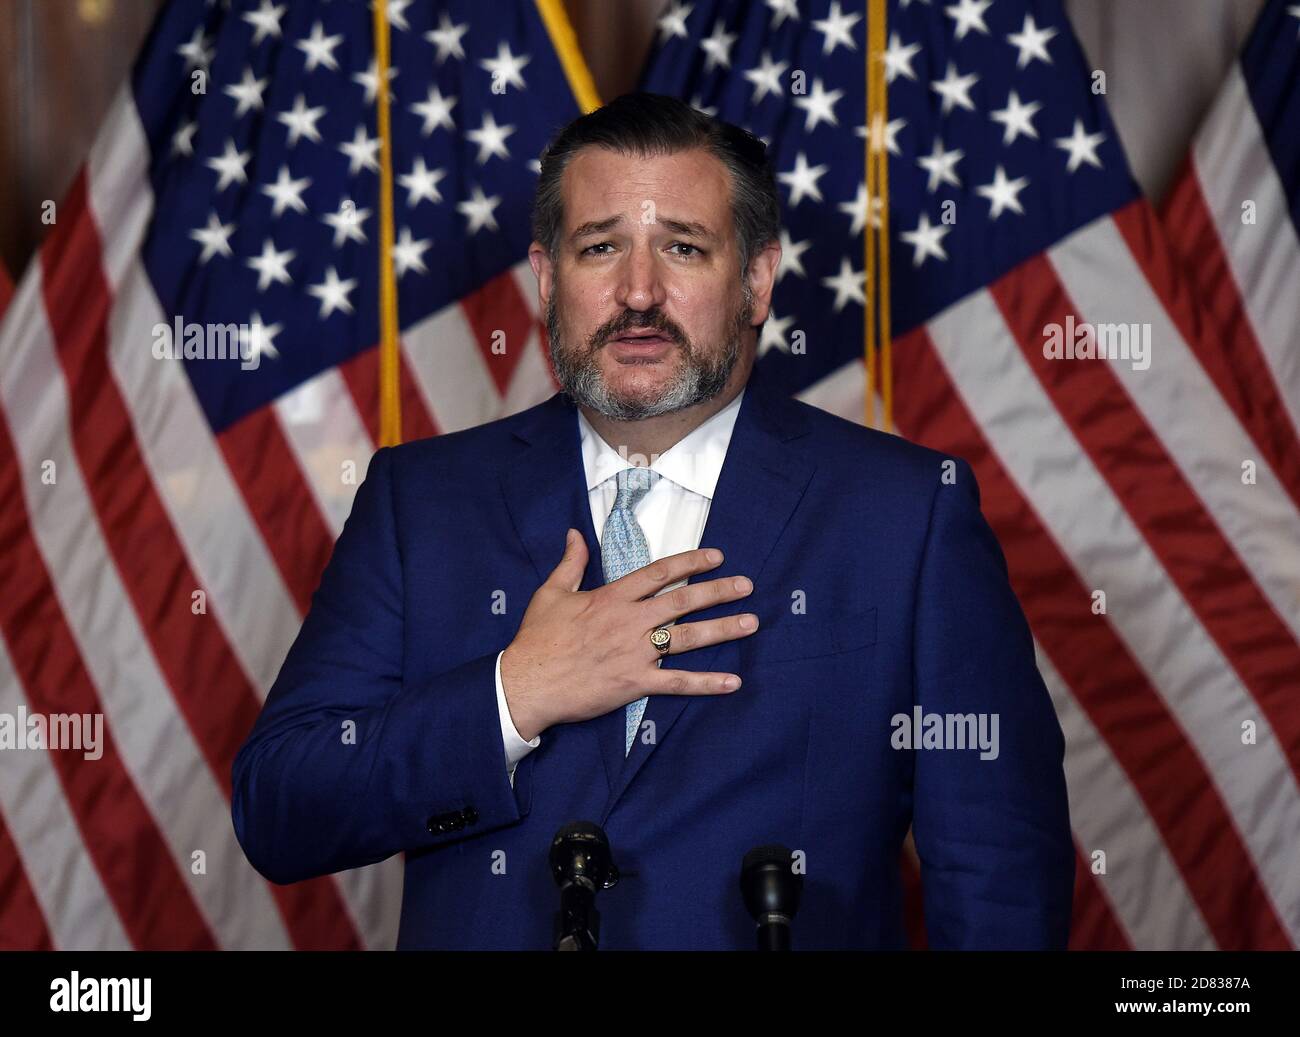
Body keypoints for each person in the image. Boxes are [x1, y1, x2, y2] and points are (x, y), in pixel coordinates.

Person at [231, 92, 1074, 950]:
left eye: (682, 247)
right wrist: (514, 694)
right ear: (550, 279)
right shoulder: (420, 502)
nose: (638, 292)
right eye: (600, 248)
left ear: (756, 281)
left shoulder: (908, 514)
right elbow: (282, 806)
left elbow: (1000, 876)